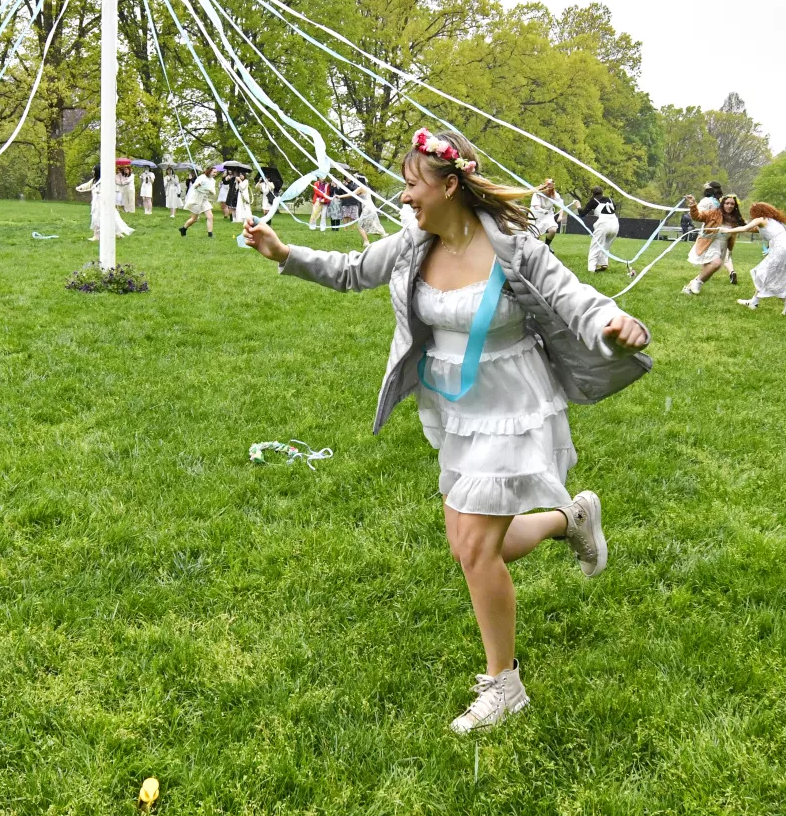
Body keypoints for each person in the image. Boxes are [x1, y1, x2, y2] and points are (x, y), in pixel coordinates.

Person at [244, 127, 649, 734]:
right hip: (455, 408)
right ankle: (572, 520)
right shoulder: (412, 245)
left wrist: (614, 323)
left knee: (476, 550)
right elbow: (354, 269)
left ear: (450, 185)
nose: (405, 197)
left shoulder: (516, 248)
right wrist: (284, 253)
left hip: (514, 402)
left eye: (413, 185)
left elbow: (577, 299)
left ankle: (503, 684)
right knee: (478, 548)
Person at [727, 201, 786, 314]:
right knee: (763, 273)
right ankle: (754, 302)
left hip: (780, 248)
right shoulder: (775, 221)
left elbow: (745, 229)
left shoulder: (760, 219)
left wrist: (727, 230)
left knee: (767, 276)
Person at [76, 164, 134, 241]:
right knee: (96, 218)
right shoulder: (94, 180)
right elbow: (87, 185)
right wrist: (79, 188)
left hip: (104, 202)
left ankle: (116, 233)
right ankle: (96, 235)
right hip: (96, 202)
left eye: (94, 170)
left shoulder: (105, 180)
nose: (92, 172)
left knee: (111, 217)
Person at [578, 188, 620, 273]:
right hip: (615, 223)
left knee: (595, 246)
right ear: (602, 193)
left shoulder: (593, 201)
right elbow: (614, 208)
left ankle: (591, 269)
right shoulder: (610, 199)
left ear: (592, 194)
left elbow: (582, 214)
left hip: (603, 224)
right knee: (606, 246)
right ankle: (604, 264)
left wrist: (578, 206)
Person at [179, 167, 218, 238]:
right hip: (197, 199)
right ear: (209, 171)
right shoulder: (202, 177)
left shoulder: (213, 181)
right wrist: (198, 185)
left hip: (204, 200)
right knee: (194, 219)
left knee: (210, 216)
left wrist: (211, 191)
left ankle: (210, 234)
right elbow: (194, 186)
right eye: (214, 172)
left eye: (216, 172)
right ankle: (183, 229)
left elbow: (213, 192)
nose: (215, 174)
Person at [718, 193, 745, 287]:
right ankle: (732, 272)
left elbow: (746, 226)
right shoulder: (716, 214)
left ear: (735, 205)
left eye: (732, 204)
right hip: (712, 240)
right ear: (722, 204)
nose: (730, 206)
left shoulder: (736, 217)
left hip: (726, 242)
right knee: (724, 259)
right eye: (727, 203)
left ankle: (732, 272)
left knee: (725, 258)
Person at [352, 178, 385, 246]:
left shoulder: (361, 188)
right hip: (371, 207)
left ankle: (366, 242)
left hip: (367, 208)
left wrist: (339, 196)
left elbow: (350, 194)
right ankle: (383, 234)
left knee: (360, 225)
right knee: (373, 223)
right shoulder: (367, 188)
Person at [528, 179, 560, 244]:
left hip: (548, 215)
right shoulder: (537, 193)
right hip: (535, 215)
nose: (549, 188)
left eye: (551, 186)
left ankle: (547, 245)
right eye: (548, 186)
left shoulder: (554, 194)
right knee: (535, 235)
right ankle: (535, 248)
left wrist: (561, 216)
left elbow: (561, 205)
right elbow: (536, 206)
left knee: (553, 230)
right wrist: (543, 210)